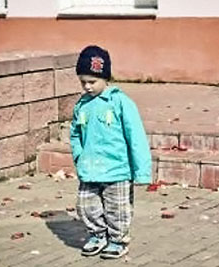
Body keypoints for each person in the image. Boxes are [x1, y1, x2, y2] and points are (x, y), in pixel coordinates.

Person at [70, 45, 152, 259]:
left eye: (92, 81)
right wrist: (79, 156)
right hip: (89, 169)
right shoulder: (82, 105)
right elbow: (75, 134)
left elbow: (136, 138)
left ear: (106, 78)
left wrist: (142, 172)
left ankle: (117, 240)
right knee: (87, 206)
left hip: (117, 170)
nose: (87, 86)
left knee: (118, 209)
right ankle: (97, 235)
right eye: (83, 82)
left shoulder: (120, 102)